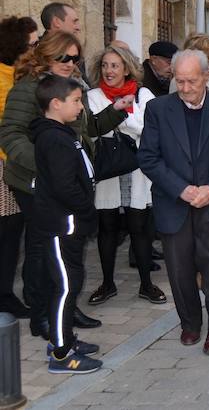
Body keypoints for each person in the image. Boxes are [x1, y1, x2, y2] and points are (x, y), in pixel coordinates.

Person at [0, 32, 122, 339]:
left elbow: (88, 128)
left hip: (66, 181)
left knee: (67, 248)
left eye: (75, 58)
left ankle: (63, 308)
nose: (70, 63)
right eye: (63, 57)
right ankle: (43, 314)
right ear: (46, 56)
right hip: (34, 182)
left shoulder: (72, 87)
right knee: (42, 249)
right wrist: (48, 165)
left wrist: (115, 112)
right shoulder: (28, 88)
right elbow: (11, 135)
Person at [138, 49, 209, 354]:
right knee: (179, 268)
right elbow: (148, 157)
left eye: (191, 81)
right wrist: (181, 189)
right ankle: (190, 323)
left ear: (206, 77)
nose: (184, 88)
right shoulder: (158, 109)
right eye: (179, 81)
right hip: (174, 203)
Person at [32, 75, 103, 374]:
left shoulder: (62, 133)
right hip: (64, 225)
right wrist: (87, 208)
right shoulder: (54, 138)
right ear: (56, 103)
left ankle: (66, 339)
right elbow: (65, 187)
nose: (81, 106)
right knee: (65, 287)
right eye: (76, 101)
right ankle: (61, 355)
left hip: (69, 223)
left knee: (67, 283)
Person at [85, 45, 166, 306]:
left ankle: (146, 284)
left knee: (139, 227)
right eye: (106, 65)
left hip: (137, 167)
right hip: (107, 167)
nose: (109, 71)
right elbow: (92, 129)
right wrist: (122, 113)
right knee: (107, 227)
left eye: (115, 66)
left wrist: (118, 116)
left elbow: (152, 129)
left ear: (127, 68)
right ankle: (108, 283)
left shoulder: (143, 94)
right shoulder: (93, 95)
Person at [0, 16, 38, 318]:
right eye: (33, 43)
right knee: (8, 232)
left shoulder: (16, 75)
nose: (36, 47)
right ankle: (3, 296)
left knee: (13, 233)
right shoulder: (5, 78)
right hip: (4, 165)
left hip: (12, 163)